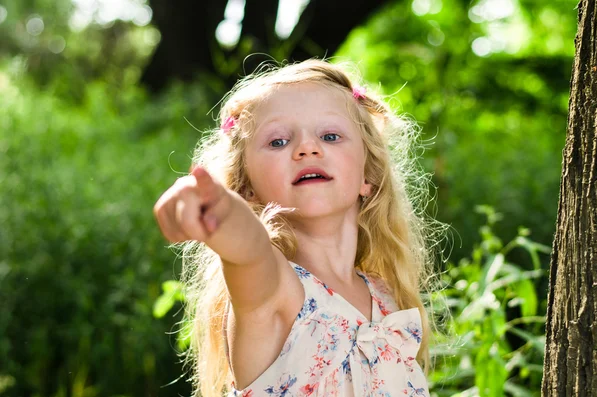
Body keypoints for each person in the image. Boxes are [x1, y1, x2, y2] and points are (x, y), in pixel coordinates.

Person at [154, 59, 438, 397]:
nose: (307, 147)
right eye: (277, 142)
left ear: (369, 177)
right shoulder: (274, 288)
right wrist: (216, 207)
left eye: (330, 136)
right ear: (246, 189)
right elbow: (248, 247)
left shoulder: (385, 296)